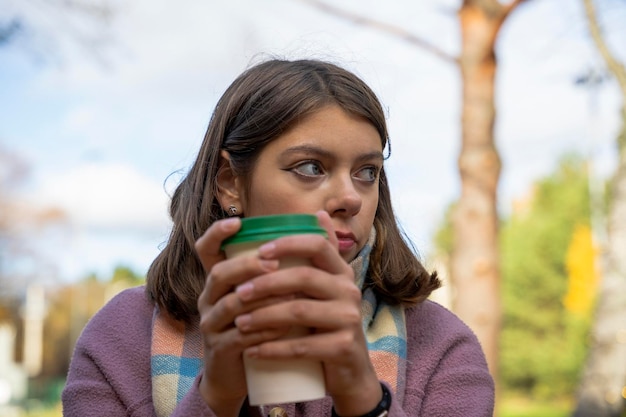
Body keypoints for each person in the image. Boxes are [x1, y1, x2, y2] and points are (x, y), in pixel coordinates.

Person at [62, 58, 494, 417]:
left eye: (367, 172)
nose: (351, 198)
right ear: (230, 182)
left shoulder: (440, 345)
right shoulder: (121, 338)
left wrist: (364, 398)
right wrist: (216, 396)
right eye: (311, 167)